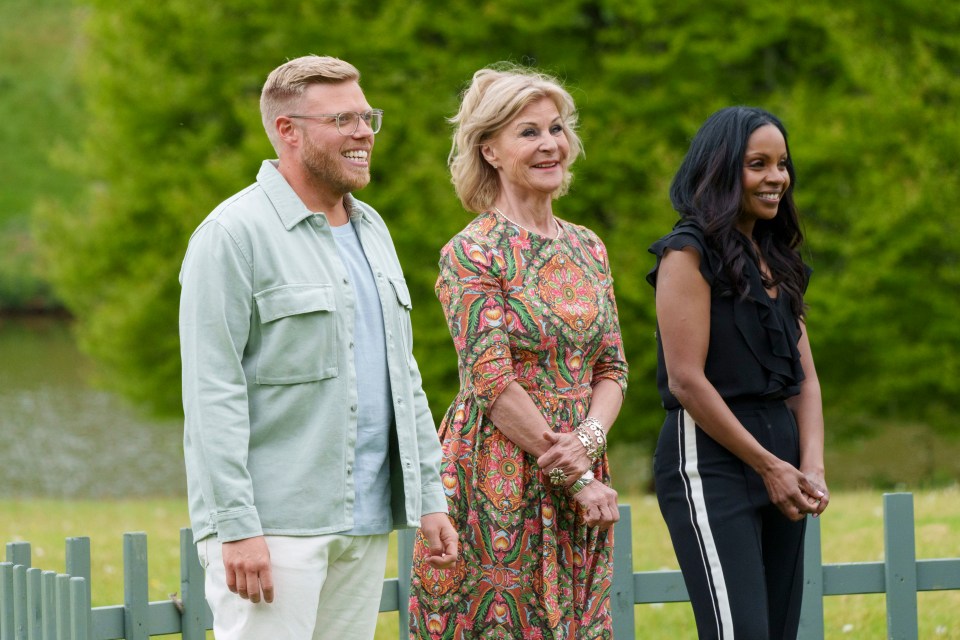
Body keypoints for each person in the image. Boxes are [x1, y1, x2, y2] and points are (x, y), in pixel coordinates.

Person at [178, 55, 457, 640]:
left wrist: (429, 495)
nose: (363, 134)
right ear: (288, 131)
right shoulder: (232, 235)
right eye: (344, 120)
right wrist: (236, 527)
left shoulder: (371, 229)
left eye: (367, 117)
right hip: (273, 530)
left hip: (364, 524)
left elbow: (402, 376)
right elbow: (212, 392)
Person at [408, 65, 628, 639]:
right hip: (497, 472)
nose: (550, 144)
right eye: (527, 132)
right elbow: (492, 382)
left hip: (579, 455)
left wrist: (588, 444)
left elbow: (612, 367)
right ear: (491, 151)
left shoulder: (588, 247)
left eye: (556, 128)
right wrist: (577, 476)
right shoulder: (471, 252)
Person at [647, 106, 829, 639]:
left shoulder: (778, 258)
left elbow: (806, 381)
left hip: (783, 458)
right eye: (758, 164)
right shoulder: (687, 252)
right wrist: (769, 465)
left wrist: (809, 466)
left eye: (782, 164)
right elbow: (686, 380)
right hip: (712, 463)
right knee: (741, 632)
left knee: (776, 631)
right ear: (723, 169)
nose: (776, 177)